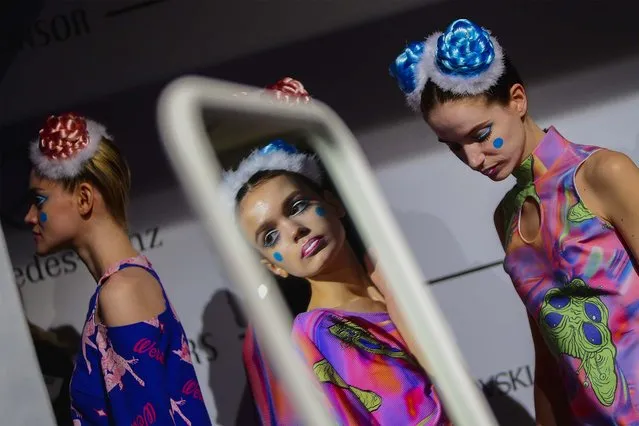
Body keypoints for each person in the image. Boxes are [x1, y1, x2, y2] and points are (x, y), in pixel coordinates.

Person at [389, 18, 639, 424]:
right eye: (454, 147)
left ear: (517, 100)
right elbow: (548, 358)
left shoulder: (603, 174)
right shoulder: (506, 218)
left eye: (481, 134)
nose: (472, 159)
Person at [224, 77, 449, 425]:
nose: (294, 230)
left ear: (332, 203)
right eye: (271, 237)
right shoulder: (322, 330)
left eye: (297, 206)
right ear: (273, 266)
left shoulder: (387, 281)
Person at [24, 113, 211, 425]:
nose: (30, 217)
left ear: (84, 198)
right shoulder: (124, 283)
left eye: (39, 201)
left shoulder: (121, 291)